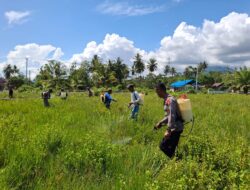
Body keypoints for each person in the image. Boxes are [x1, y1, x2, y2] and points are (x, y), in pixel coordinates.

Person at [154, 82, 184, 158]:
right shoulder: (166, 99)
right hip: (176, 127)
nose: (156, 93)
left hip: (176, 128)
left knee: (163, 146)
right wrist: (160, 122)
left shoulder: (170, 100)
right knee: (172, 148)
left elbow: (172, 116)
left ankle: (176, 161)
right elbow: (169, 116)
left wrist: (168, 130)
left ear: (160, 90)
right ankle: (176, 160)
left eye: (157, 91)